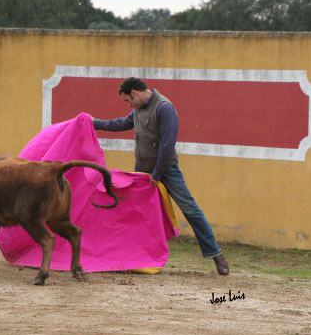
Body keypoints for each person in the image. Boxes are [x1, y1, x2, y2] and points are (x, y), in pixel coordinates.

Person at [92, 77, 229, 275]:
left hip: (165, 170)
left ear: (135, 93)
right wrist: (94, 123)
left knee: (190, 209)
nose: (128, 104)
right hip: (142, 169)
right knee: (136, 213)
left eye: (127, 100)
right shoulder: (139, 109)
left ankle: (216, 254)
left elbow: (167, 144)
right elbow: (121, 123)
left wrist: (156, 173)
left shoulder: (164, 108)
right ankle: (134, 257)